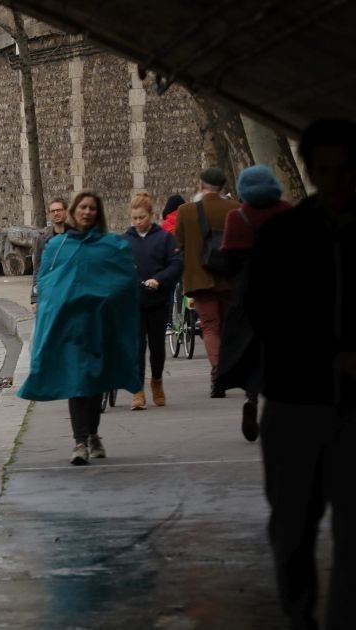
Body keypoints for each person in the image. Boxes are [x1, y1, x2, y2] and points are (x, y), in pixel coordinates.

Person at [245, 119, 356, 630]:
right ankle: (298, 617)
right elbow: (265, 314)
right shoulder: (284, 236)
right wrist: (325, 356)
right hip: (295, 404)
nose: (335, 180)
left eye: (345, 168)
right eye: (325, 169)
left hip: (352, 410)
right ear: (310, 170)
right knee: (292, 529)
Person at [20, 191, 141, 465]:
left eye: (92, 208)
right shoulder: (57, 246)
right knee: (77, 382)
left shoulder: (111, 246)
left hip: (99, 325)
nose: (87, 212)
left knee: (95, 383)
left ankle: (93, 435)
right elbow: (47, 283)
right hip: (70, 328)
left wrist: (104, 297)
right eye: (83, 207)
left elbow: (124, 280)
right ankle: (79, 441)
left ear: (98, 214)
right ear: (75, 211)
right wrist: (51, 306)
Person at [216, 165, 294, 442]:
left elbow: (227, 261)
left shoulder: (237, 217)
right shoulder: (287, 212)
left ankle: (251, 397)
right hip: (285, 294)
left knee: (250, 350)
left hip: (249, 295)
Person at [175, 167, 241, 397]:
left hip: (200, 279)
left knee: (210, 327)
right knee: (226, 327)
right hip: (229, 279)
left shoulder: (185, 211)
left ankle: (217, 375)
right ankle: (231, 372)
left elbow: (180, 244)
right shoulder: (235, 209)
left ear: (201, 185)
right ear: (223, 187)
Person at [122, 191, 183, 410]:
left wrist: (159, 279)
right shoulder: (125, 240)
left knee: (157, 347)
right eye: (135, 218)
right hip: (134, 302)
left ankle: (156, 380)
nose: (138, 222)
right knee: (137, 346)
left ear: (151, 215)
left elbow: (176, 263)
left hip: (158, 300)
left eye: (142, 218)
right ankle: (137, 389)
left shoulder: (164, 238)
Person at [31, 197, 68, 309]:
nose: (56, 213)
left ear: (66, 212)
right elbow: (38, 269)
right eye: (53, 211)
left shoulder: (77, 237)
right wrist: (35, 298)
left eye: (59, 210)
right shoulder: (41, 239)